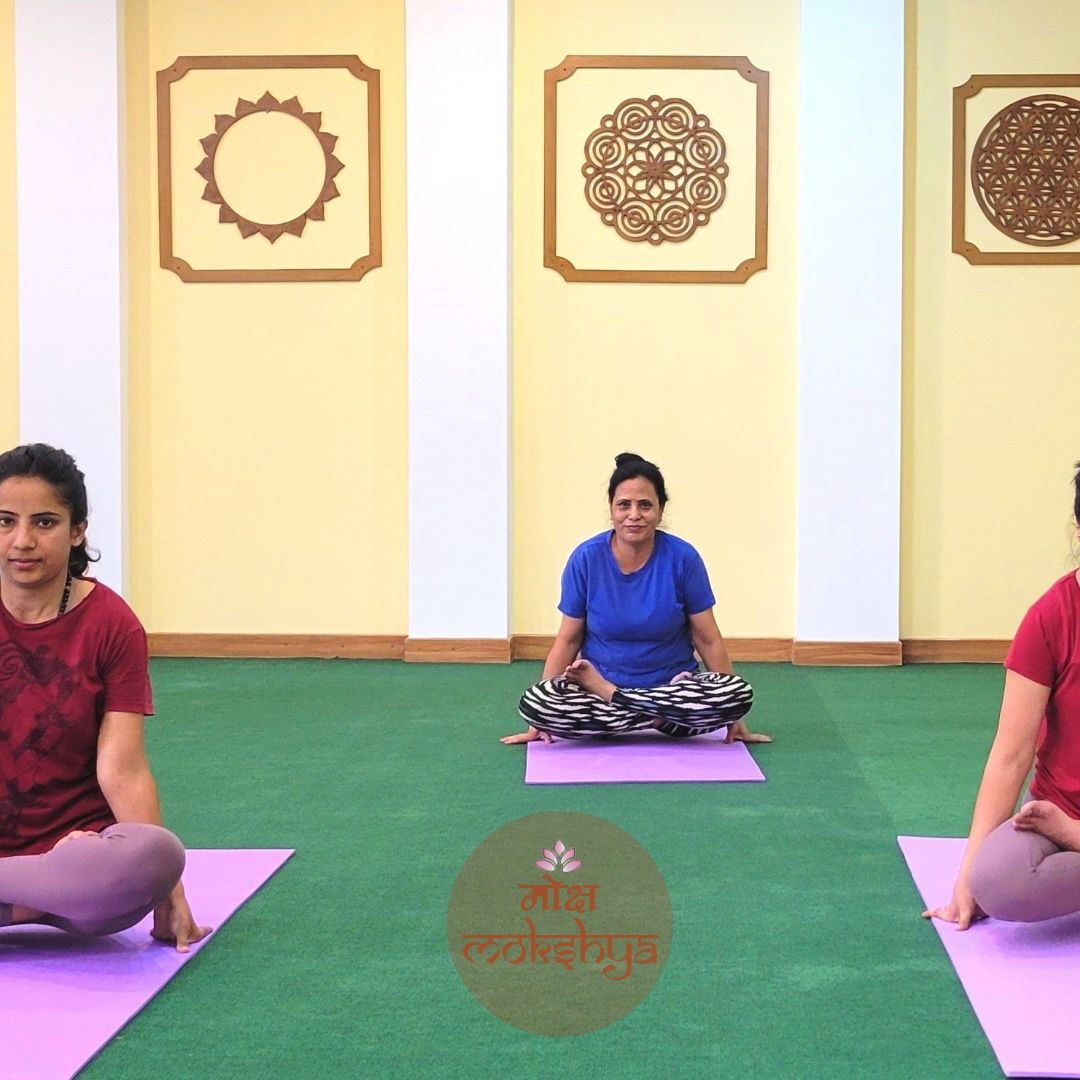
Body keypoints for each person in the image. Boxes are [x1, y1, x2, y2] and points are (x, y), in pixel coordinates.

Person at [0, 443, 209, 949]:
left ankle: (23, 901)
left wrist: (169, 890)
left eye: (44, 522)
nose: (22, 541)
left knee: (156, 856)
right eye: (5, 522)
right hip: (47, 884)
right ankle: (23, 905)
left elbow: (123, 768)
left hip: (76, 857)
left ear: (77, 531)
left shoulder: (112, 625)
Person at [502, 452, 769, 745]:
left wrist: (733, 715)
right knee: (537, 700)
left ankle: (619, 704)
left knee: (736, 693)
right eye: (624, 505)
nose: (634, 515)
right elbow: (568, 639)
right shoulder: (585, 559)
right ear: (611, 508)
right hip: (608, 696)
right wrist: (540, 716)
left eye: (645, 505)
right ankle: (649, 715)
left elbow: (707, 639)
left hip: (671, 689)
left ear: (661, 509)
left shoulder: (684, 558)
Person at [924, 461, 1080, 927]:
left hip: (1065, 829)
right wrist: (965, 878)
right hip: (1057, 812)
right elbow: (1011, 755)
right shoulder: (1050, 619)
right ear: (1078, 529)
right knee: (997, 881)